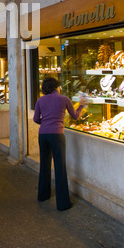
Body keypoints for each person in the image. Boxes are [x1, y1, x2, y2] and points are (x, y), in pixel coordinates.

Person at [33, 77, 87, 211]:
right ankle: (62, 204)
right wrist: (81, 105)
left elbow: (35, 119)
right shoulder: (64, 99)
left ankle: (43, 195)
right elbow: (75, 116)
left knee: (44, 165)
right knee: (60, 167)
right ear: (57, 87)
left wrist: (46, 123)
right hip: (57, 135)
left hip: (43, 135)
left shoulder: (40, 100)